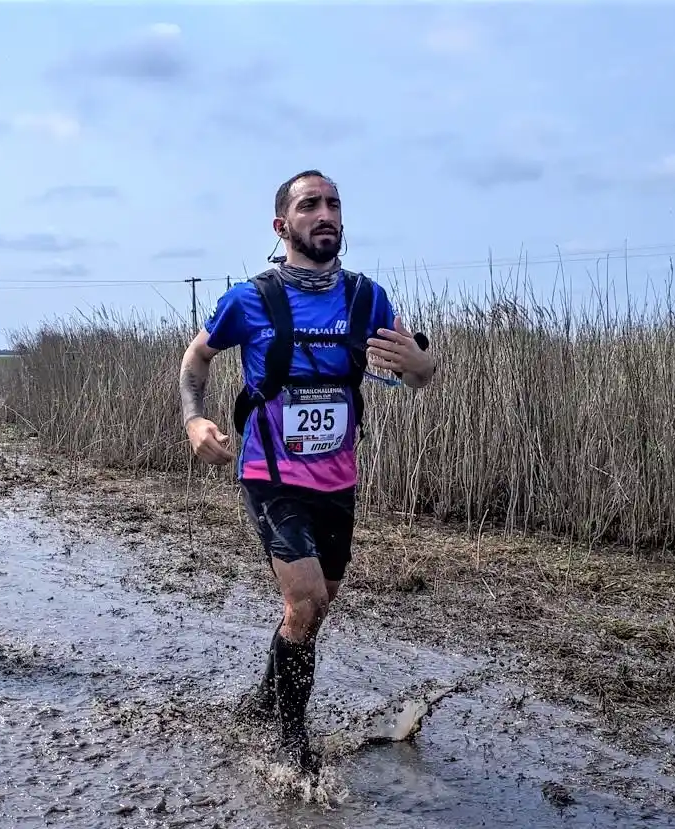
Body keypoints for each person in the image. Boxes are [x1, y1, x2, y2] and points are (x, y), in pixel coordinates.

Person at [178, 170, 437, 773]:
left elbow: (417, 375)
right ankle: (293, 746)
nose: (325, 214)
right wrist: (195, 420)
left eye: (333, 204)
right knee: (306, 600)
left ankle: (265, 697)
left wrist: (422, 364)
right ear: (282, 225)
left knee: (316, 610)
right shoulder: (250, 299)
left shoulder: (367, 299)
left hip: (338, 479)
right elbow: (196, 359)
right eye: (309, 205)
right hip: (269, 474)